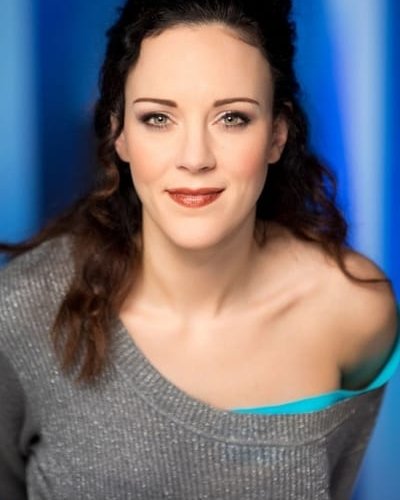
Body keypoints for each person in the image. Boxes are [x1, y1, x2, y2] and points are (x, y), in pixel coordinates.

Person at [0, 0, 398, 498]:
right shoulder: (21, 312)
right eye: (157, 118)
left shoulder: (353, 310)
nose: (195, 158)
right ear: (119, 134)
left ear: (277, 135)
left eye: (232, 118)